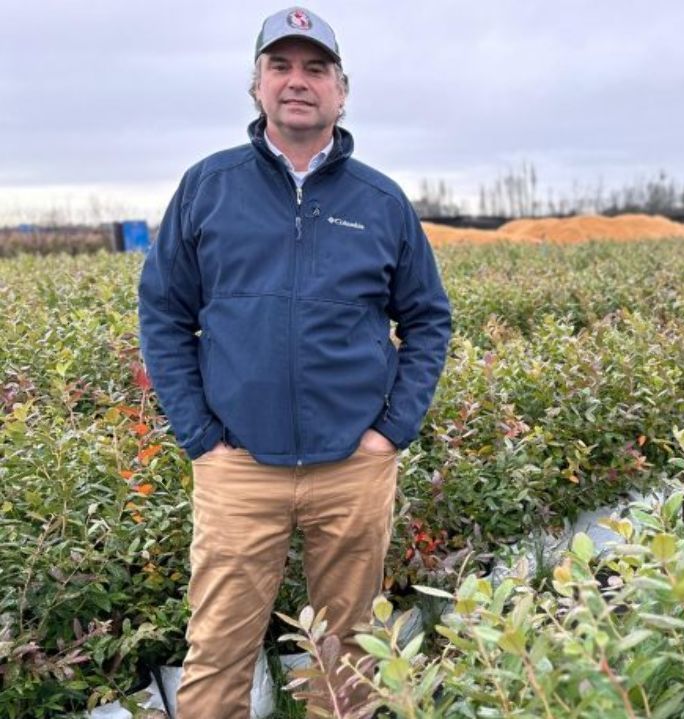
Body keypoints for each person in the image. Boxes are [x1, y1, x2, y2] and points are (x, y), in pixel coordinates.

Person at [137, 7, 452, 716]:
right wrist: (203, 440)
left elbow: (428, 318)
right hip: (239, 469)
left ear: (343, 90)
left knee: (348, 654)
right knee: (217, 653)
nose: (297, 81)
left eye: (315, 68)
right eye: (280, 66)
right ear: (256, 86)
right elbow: (163, 314)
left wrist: (388, 433)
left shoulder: (381, 202)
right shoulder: (207, 188)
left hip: (353, 469)